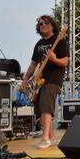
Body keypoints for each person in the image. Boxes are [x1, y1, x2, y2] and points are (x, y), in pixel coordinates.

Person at [21, 15, 69, 148]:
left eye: (46, 22)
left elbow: (65, 61)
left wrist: (54, 59)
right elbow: (33, 64)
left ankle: (45, 138)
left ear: (52, 25)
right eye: (40, 23)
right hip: (38, 80)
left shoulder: (59, 41)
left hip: (53, 78)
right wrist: (25, 79)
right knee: (39, 109)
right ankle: (52, 137)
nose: (43, 24)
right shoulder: (39, 44)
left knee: (46, 104)